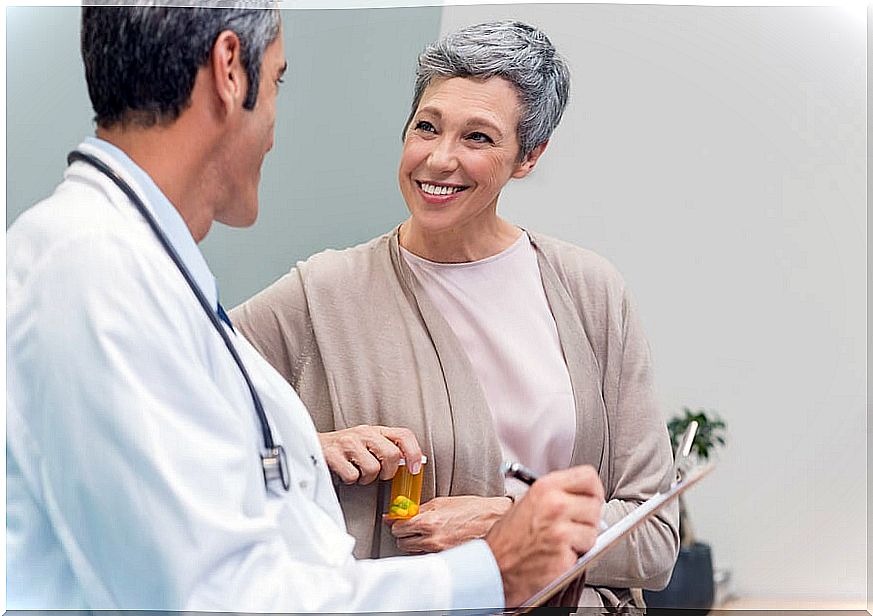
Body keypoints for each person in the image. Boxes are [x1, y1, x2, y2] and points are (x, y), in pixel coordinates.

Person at [6, 6, 606, 611]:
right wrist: (489, 572)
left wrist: (301, 447)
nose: (274, 129)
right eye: (278, 82)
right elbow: (215, 596)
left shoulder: (134, 266)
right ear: (229, 72)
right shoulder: (92, 271)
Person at [231, 20, 679, 607]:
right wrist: (307, 445)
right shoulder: (322, 293)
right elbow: (171, 411)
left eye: (478, 138)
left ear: (529, 156)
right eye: (427, 126)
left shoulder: (590, 293)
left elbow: (654, 537)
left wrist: (503, 522)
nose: (439, 159)